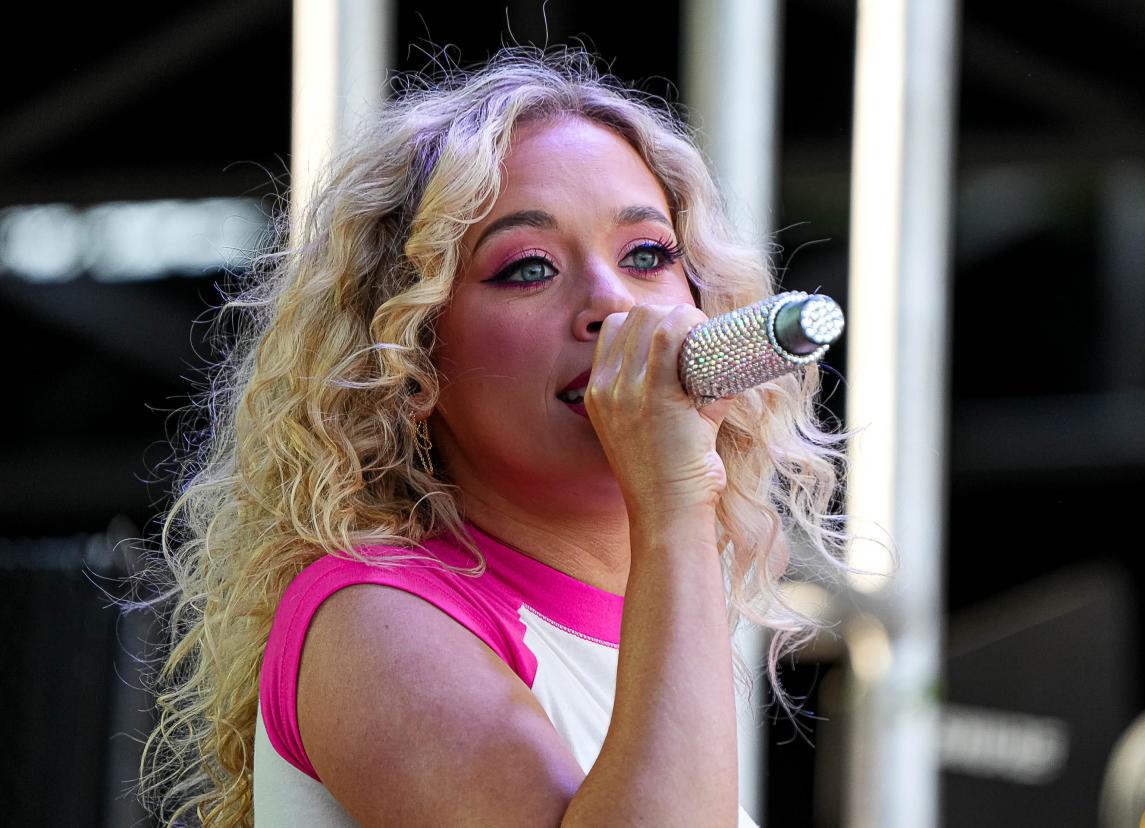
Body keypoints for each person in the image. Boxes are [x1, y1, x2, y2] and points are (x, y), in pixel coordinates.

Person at [137, 46, 851, 827]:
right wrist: (677, 503)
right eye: (529, 267)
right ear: (408, 366)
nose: (613, 305)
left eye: (647, 254)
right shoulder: (375, 617)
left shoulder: (658, 619)